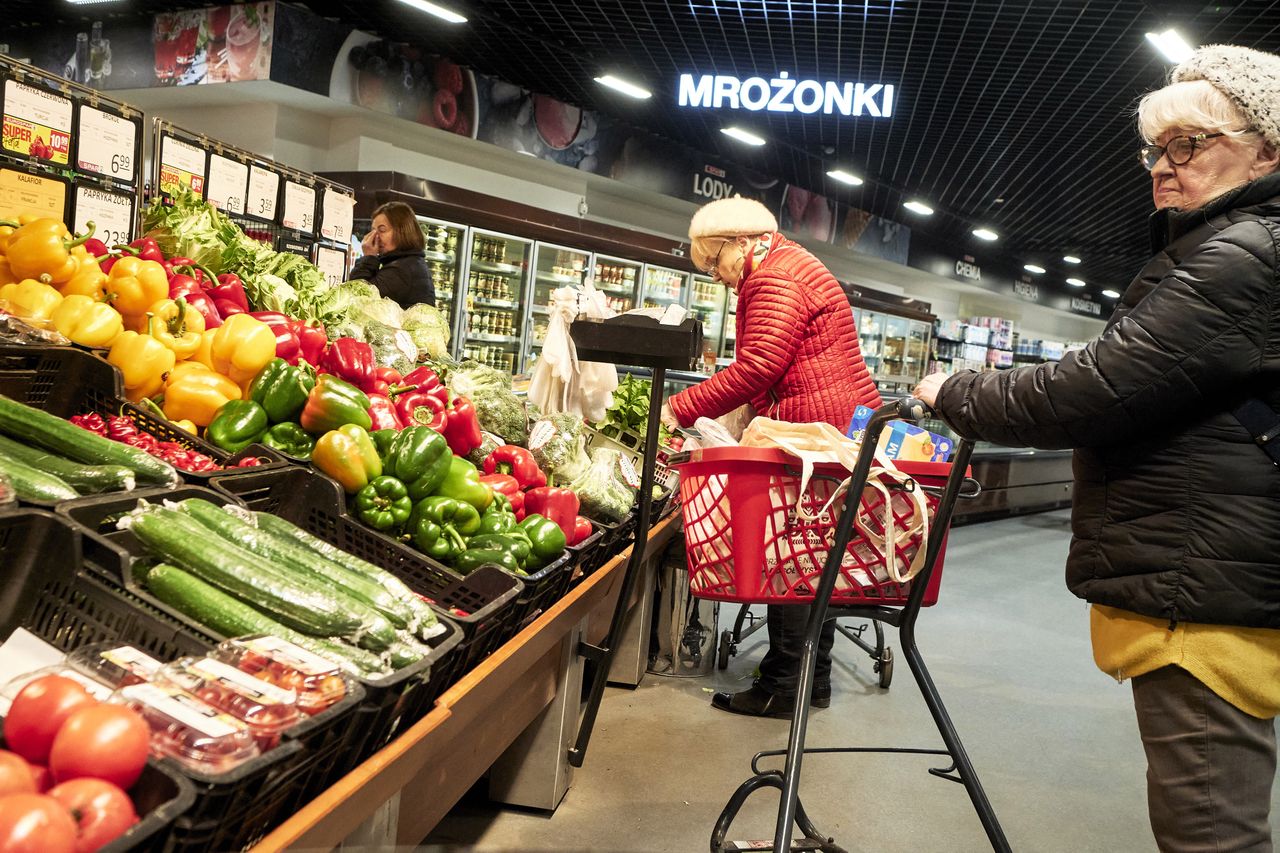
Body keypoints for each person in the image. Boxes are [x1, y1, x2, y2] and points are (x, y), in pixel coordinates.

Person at [913, 45, 1280, 852]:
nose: (1162, 165)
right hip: (1210, 572)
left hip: (1204, 590)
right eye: (1157, 146)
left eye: (1189, 143)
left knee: (1210, 830)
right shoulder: (1234, 246)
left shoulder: (1243, 254)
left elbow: (1095, 387)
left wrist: (955, 393)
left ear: (1269, 150)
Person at [659, 196, 881, 719]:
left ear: (739, 242)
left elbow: (760, 364)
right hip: (828, 428)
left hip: (812, 432)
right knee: (813, 558)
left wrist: (678, 409)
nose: (716, 275)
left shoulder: (774, 277)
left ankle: (786, 686)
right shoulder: (788, 262)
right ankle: (807, 682)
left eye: (714, 262)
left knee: (793, 557)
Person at [349, 201, 435, 309]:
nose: (374, 236)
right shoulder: (409, 262)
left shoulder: (402, 269)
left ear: (402, 231)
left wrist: (369, 257)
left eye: (382, 230)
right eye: (373, 230)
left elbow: (356, 296)